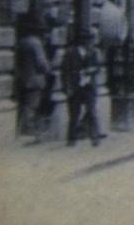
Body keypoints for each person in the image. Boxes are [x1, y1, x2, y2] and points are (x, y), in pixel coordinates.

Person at [60, 29, 105, 146]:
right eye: (89, 41)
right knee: (74, 114)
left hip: (89, 87)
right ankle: (71, 139)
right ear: (83, 42)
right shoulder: (70, 53)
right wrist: (67, 88)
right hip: (75, 87)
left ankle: (95, 138)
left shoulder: (93, 53)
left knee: (92, 112)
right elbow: (65, 72)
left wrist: (92, 70)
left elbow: (98, 67)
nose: (91, 43)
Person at [14, 14, 52, 142]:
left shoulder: (22, 42)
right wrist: (48, 69)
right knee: (32, 106)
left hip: (22, 79)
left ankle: (22, 128)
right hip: (35, 80)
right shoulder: (36, 43)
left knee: (23, 105)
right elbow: (42, 63)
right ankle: (27, 130)